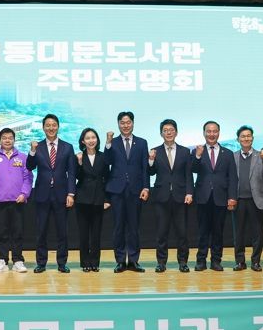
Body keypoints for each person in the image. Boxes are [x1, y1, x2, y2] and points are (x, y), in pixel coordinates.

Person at [26, 114, 76, 273]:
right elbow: (29, 166)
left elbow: (72, 172)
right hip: (42, 194)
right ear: (43, 128)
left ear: (58, 126)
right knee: (41, 231)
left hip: (62, 194)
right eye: (48, 125)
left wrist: (71, 194)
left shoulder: (68, 147)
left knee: (62, 231)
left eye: (54, 125)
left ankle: (62, 263)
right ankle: (41, 263)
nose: (51, 128)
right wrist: (32, 151)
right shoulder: (38, 146)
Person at [0, 128, 32, 273]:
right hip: (0, 200)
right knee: (2, 232)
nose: (7, 140)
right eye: (4, 138)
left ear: (14, 140)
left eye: (10, 138)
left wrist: (24, 194)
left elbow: (28, 177)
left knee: (18, 232)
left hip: (18, 200)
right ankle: (2, 260)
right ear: (0, 140)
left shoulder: (22, 157)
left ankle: (18, 260)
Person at [105, 111, 149, 273]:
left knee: (134, 227)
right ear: (118, 124)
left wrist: (146, 187)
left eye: (128, 122)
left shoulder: (142, 143)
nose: (125, 125)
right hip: (117, 190)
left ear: (133, 123)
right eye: (122, 123)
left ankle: (134, 260)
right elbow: (107, 161)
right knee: (118, 227)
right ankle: (120, 261)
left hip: (136, 190)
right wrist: (108, 143)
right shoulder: (113, 142)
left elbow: (145, 167)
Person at [148, 119, 194, 273]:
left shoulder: (185, 151)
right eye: (165, 130)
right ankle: (161, 263)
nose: (168, 132)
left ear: (176, 132)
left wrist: (189, 192)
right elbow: (150, 172)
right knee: (161, 233)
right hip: (161, 197)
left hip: (181, 197)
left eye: (171, 130)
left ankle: (183, 262)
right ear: (161, 133)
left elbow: (188, 174)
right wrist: (151, 160)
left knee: (182, 233)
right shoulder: (155, 151)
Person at [192, 120, 238, 272]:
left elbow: (232, 177)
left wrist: (232, 197)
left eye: (214, 131)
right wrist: (197, 156)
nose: (211, 134)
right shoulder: (197, 151)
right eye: (209, 131)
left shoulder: (228, 153)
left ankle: (216, 261)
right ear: (204, 133)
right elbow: (193, 169)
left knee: (218, 232)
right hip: (203, 197)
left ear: (219, 133)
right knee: (202, 231)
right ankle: (201, 261)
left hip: (221, 197)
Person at [232, 125, 263, 272]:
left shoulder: (261, 155)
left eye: (248, 136)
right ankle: (240, 262)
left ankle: (256, 262)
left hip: (256, 200)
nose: (246, 138)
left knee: (257, 233)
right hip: (238, 200)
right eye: (243, 136)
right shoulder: (233, 156)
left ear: (253, 138)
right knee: (238, 233)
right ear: (238, 139)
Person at [74, 128, 110, 273]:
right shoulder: (78, 156)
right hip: (82, 199)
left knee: (96, 234)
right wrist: (79, 163)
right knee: (83, 234)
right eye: (87, 138)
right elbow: (76, 176)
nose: (91, 140)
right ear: (83, 141)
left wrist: (107, 199)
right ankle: (85, 262)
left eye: (93, 137)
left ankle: (95, 262)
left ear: (97, 140)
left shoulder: (103, 157)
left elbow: (107, 178)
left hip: (98, 199)